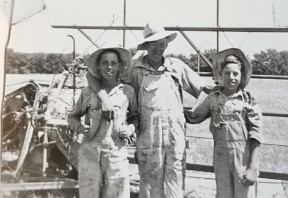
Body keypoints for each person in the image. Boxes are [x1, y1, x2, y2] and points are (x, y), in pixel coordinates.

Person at [86, 23, 211, 198]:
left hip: (175, 136)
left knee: (175, 184)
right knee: (150, 187)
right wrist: (104, 99)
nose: (158, 48)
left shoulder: (176, 66)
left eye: (161, 44)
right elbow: (91, 75)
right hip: (148, 135)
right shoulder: (134, 68)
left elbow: (206, 90)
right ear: (145, 46)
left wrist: (196, 114)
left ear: (167, 44)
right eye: (153, 44)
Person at [185, 48, 263, 198]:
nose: (231, 77)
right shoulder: (213, 97)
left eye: (235, 74)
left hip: (243, 156)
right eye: (227, 73)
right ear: (220, 75)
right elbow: (193, 117)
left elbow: (256, 134)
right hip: (220, 154)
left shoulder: (248, 100)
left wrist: (253, 167)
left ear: (242, 76)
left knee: (244, 194)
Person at [67, 47, 138, 198]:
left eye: (113, 63)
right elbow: (71, 117)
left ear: (119, 66)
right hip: (89, 153)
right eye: (105, 63)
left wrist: (130, 129)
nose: (109, 67)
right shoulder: (87, 92)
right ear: (98, 66)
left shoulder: (127, 91)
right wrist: (80, 127)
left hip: (116, 154)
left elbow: (135, 117)